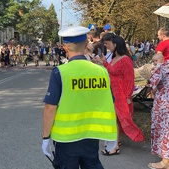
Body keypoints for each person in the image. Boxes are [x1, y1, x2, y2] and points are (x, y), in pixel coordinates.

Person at [42, 26, 117, 169]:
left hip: (66, 139)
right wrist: (112, 136)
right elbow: (110, 102)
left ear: (65, 48)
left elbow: (50, 108)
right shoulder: (101, 71)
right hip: (91, 136)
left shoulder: (60, 73)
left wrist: (46, 137)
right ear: (86, 45)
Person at [95, 35, 144, 155]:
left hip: (121, 94)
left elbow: (129, 79)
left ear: (115, 44)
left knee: (117, 119)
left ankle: (115, 146)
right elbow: (111, 71)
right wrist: (104, 63)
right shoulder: (114, 57)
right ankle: (117, 141)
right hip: (113, 93)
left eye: (107, 43)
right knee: (115, 119)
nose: (105, 46)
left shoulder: (125, 59)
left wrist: (128, 96)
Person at [147, 53, 169, 169]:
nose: (154, 64)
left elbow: (153, 88)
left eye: (155, 61)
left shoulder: (161, 69)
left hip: (163, 105)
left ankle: (165, 162)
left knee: (164, 133)